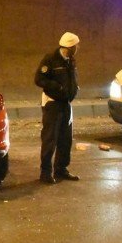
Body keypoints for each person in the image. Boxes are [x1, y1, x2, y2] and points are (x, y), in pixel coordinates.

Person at [34, 32, 80, 184]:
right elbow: (39, 79)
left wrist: (73, 88)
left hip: (66, 104)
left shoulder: (70, 60)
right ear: (69, 47)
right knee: (50, 139)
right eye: (76, 45)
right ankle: (45, 173)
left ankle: (61, 169)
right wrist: (57, 87)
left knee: (65, 139)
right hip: (52, 104)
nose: (78, 48)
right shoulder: (51, 59)